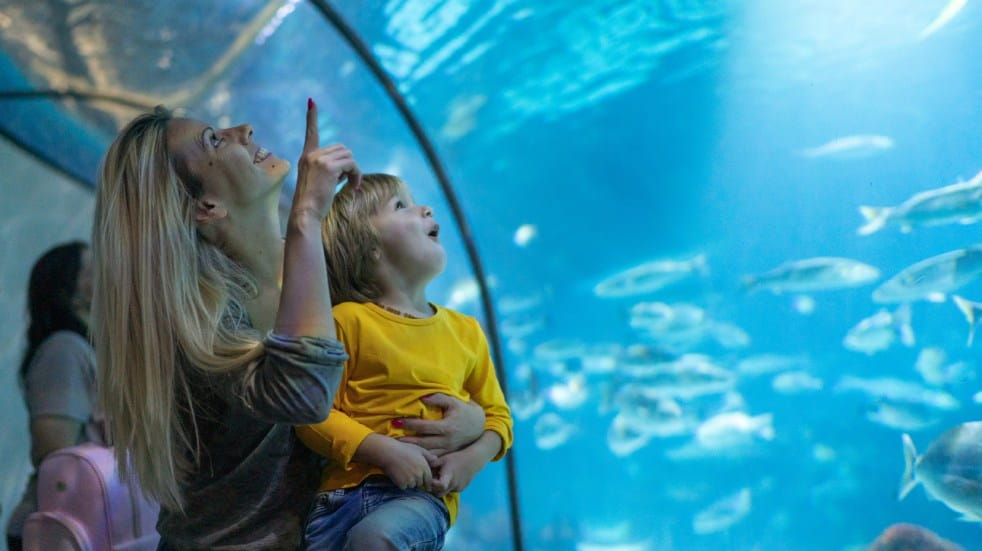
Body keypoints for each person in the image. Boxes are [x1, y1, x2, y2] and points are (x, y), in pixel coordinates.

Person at [91, 103, 485, 550]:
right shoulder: (206, 320)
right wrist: (306, 216)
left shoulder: (326, 272)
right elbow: (306, 396)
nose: (244, 127)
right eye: (214, 140)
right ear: (206, 206)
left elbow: (408, 362)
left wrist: (476, 425)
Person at [297, 173, 514, 550]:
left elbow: (498, 417)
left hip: (420, 498)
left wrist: (472, 459)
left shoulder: (466, 331)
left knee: (375, 538)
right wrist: (382, 450)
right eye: (401, 205)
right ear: (370, 247)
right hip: (335, 505)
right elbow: (312, 414)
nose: (425, 208)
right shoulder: (346, 320)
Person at [6, 241, 102, 551]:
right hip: (58, 534)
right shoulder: (65, 349)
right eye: (93, 267)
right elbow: (53, 453)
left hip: (76, 529)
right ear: (69, 290)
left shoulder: (86, 349)